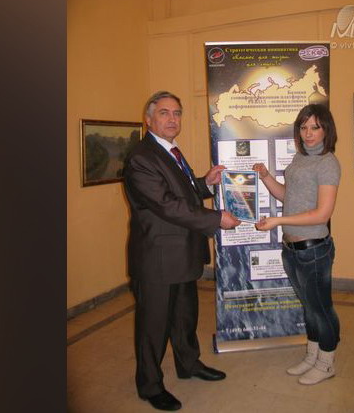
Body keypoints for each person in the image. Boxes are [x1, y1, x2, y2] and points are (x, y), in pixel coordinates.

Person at [123, 91, 241, 411]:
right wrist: (216, 218)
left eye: (177, 113)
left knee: (184, 317)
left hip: (183, 253)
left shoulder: (171, 150)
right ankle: (150, 384)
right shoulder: (141, 157)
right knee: (154, 326)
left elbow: (182, 193)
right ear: (148, 119)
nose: (172, 119)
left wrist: (205, 183)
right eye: (164, 113)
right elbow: (166, 205)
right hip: (158, 259)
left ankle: (189, 364)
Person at [253, 104, 341, 386]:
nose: (308, 133)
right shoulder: (300, 158)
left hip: (314, 249)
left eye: (315, 127)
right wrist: (266, 176)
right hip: (292, 249)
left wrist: (278, 221)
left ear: (326, 129)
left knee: (321, 309)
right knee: (308, 307)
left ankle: (326, 363)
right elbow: (287, 196)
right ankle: (313, 355)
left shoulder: (327, 163)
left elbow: (322, 214)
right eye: (304, 127)